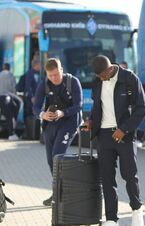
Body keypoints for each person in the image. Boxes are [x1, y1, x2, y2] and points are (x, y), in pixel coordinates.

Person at [84, 55, 145, 226]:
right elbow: (97, 107)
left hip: (124, 136)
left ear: (110, 68)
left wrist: (124, 129)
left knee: (129, 176)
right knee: (107, 179)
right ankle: (112, 219)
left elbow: (141, 109)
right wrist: (91, 121)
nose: (101, 79)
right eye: (99, 76)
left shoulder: (129, 79)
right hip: (104, 136)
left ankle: (137, 210)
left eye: (103, 75)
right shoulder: (97, 82)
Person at [33, 58, 83, 206]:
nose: (54, 78)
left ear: (61, 70)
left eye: (56, 74)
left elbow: (79, 105)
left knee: (57, 156)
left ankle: (63, 194)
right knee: (50, 160)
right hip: (51, 123)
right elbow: (35, 107)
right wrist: (42, 115)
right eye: (50, 75)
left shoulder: (72, 82)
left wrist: (63, 112)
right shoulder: (44, 84)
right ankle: (57, 192)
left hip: (69, 122)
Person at [0, 63, 21, 140]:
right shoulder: (11, 75)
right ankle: (11, 134)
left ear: (3, 67)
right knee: (10, 116)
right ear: (9, 68)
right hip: (7, 97)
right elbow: (13, 89)